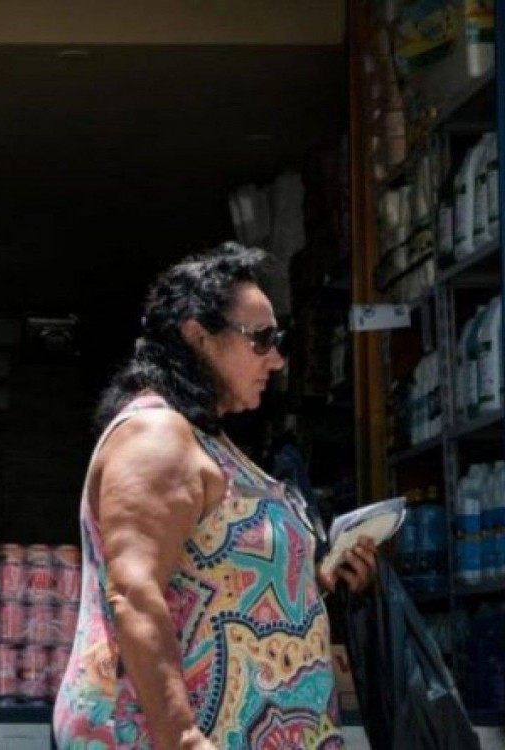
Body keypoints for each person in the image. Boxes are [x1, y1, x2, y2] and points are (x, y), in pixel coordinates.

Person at [54, 245, 376, 750]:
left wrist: (317, 580)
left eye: (280, 338)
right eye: (262, 339)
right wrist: (182, 737)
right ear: (197, 336)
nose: (276, 357)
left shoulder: (208, 438)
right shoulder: (156, 435)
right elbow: (135, 594)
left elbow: (224, 581)